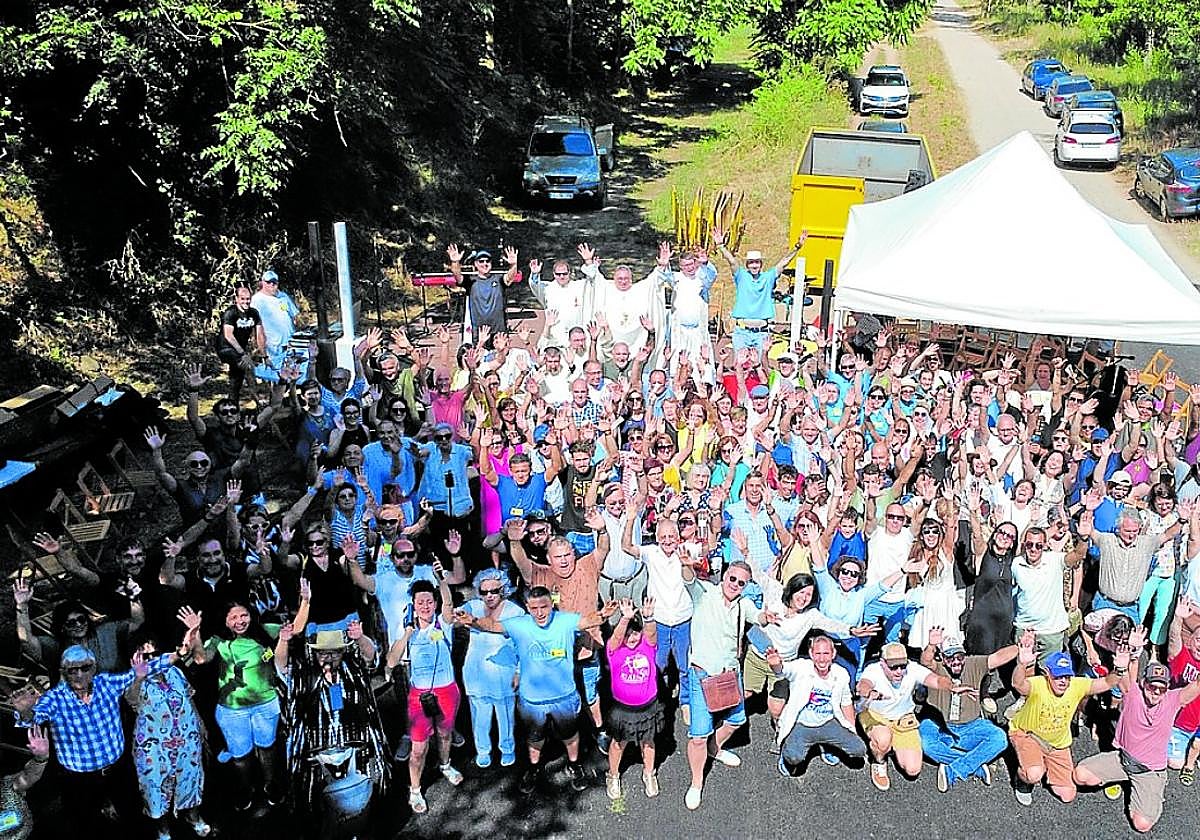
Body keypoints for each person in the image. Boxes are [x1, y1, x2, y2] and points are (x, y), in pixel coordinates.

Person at [456, 586, 617, 795]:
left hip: (564, 696)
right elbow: (493, 626)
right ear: (527, 608)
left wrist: (604, 614)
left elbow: (588, 621)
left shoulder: (565, 620)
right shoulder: (519, 624)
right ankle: (533, 768)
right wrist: (473, 621)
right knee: (534, 737)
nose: (540, 613)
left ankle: (574, 764)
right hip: (532, 700)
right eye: (534, 608)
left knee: (570, 735)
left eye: (544, 606)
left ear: (552, 604)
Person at [32, 645, 176, 826]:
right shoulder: (53, 698)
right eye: (72, 670)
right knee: (85, 823)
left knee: (131, 814)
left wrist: (181, 652)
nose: (79, 674)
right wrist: (25, 712)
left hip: (117, 769)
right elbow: (35, 716)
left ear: (93, 668)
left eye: (84, 668)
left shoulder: (106, 682)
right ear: (63, 672)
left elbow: (148, 667)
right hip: (79, 778)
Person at [1074, 626, 1200, 833]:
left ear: (1168, 688)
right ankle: (1124, 779)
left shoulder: (1173, 700)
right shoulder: (1133, 694)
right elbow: (1123, 675)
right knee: (1080, 776)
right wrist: (1129, 656)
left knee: (1141, 824)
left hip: (1149, 771)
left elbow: (1196, 685)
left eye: (1162, 687)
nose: (1156, 691)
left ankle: (1153, 788)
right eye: (1152, 686)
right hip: (1123, 760)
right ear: (1144, 684)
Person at [681, 559, 780, 810]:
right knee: (698, 736)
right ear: (724, 575)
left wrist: (766, 617)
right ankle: (696, 782)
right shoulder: (705, 593)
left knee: (737, 720)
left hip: (730, 674)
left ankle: (716, 748)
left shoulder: (743, 604)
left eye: (741, 582)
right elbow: (689, 580)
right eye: (732, 578)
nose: (735, 584)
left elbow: (758, 617)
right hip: (702, 676)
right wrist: (685, 564)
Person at [1008, 633, 1127, 806]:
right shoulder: (1038, 684)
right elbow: (1018, 684)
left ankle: (1040, 764)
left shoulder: (1076, 685)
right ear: (1048, 674)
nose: (1063, 681)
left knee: (1067, 794)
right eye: (1058, 676)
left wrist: (1120, 670)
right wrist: (1021, 664)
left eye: (1066, 676)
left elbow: (1108, 683)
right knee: (1033, 774)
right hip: (1028, 734)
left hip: (1057, 744)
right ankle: (1023, 777)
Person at [385, 571, 464, 814]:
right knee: (418, 748)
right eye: (420, 602)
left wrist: (441, 580)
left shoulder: (444, 621)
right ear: (413, 605)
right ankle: (415, 790)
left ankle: (445, 764)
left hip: (448, 691)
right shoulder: (407, 629)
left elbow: (449, 602)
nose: (426, 606)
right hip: (419, 696)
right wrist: (407, 633)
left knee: (444, 734)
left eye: (429, 601)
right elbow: (390, 661)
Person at [127, 615, 209, 840]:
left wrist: (200, 723)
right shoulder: (131, 679)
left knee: (191, 777)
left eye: (155, 654)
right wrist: (139, 677)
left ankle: (193, 816)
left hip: (187, 736)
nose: (151, 659)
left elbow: (189, 697)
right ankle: (162, 828)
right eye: (146, 655)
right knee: (154, 786)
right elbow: (132, 701)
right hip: (153, 745)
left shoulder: (175, 672)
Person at [856, 642, 976, 792]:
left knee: (912, 769)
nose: (899, 671)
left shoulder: (912, 669)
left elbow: (936, 680)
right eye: (893, 667)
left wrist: (952, 687)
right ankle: (879, 760)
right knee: (883, 739)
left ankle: (891, 746)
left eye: (902, 666)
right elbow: (863, 685)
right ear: (883, 664)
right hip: (876, 715)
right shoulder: (873, 670)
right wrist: (869, 693)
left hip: (903, 719)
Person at [917, 627, 1022, 792]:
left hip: (971, 725)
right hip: (938, 724)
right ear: (943, 658)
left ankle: (954, 768)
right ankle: (976, 765)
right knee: (925, 744)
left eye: (960, 656)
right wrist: (931, 645)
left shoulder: (974, 664)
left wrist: (1021, 646)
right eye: (950, 657)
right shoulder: (936, 668)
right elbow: (925, 662)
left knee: (999, 738)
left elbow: (998, 657)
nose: (957, 661)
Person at [769, 634, 866, 777]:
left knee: (859, 749)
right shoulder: (801, 667)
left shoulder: (841, 673)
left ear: (833, 654)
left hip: (828, 721)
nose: (822, 659)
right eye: (818, 653)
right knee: (794, 758)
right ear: (811, 654)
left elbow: (846, 702)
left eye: (826, 653)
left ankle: (826, 745)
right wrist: (775, 664)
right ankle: (787, 753)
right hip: (801, 724)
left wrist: (851, 728)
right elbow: (783, 671)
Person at [461, 569, 524, 768]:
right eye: (484, 591)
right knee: (479, 717)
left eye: (494, 591)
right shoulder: (473, 606)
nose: (489, 596)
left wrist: (519, 671)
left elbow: (524, 645)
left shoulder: (516, 612)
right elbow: (450, 617)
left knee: (506, 717)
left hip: (504, 674)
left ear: (503, 589)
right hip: (475, 672)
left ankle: (507, 749)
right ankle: (483, 750)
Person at [603, 597, 663, 801]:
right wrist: (625, 619)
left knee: (648, 742)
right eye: (628, 634)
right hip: (622, 709)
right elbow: (616, 637)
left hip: (648, 706)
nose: (631, 638)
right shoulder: (615, 650)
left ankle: (649, 773)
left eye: (635, 633)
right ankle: (613, 775)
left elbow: (652, 634)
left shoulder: (647, 646)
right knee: (619, 743)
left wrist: (649, 618)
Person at [713, 228, 806, 352]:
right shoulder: (741, 276)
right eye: (751, 262)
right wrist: (721, 246)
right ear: (747, 265)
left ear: (761, 264)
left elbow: (784, 263)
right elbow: (732, 262)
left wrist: (797, 247)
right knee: (740, 366)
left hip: (761, 333)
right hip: (742, 332)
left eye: (757, 262)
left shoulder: (768, 277)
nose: (754, 265)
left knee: (761, 366)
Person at [447, 244, 520, 344]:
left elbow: (510, 277)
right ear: (475, 264)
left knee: (501, 358)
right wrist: (455, 262)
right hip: (479, 332)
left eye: (487, 261)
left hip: (499, 331)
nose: (485, 264)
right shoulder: (471, 282)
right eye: (481, 261)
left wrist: (513, 264)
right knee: (479, 358)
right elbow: (457, 275)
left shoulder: (499, 279)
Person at [250, 269, 304, 383]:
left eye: (274, 282)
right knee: (277, 377)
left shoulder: (283, 296)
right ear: (263, 283)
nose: (272, 285)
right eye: (269, 282)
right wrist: (262, 351)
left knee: (294, 373)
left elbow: (295, 316)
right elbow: (257, 328)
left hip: (290, 343)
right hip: (274, 346)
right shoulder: (256, 300)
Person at [215, 283, 265, 400]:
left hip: (239, 349)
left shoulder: (254, 313)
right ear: (236, 299)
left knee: (237, 379)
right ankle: (258, 400)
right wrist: (243, 354)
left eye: (248, 299)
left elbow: (260, 335)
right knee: (248, 366)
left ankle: (232, 404)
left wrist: (264, 355)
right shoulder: (230, 313)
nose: (246, 302)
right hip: (225, 348)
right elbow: (228, 335)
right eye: (242, 299)